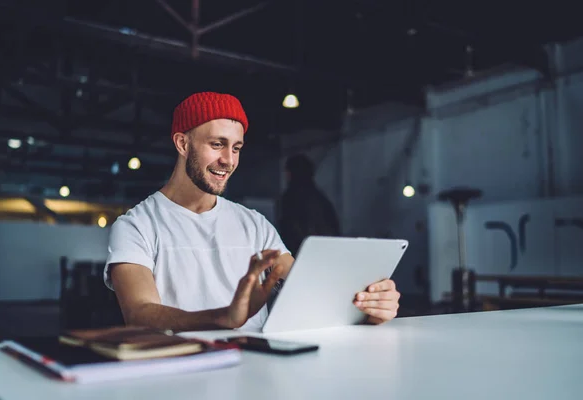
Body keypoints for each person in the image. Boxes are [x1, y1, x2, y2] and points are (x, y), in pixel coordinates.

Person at [103, 92, 400, 332]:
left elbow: (307, 288)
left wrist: (367, 306)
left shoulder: (254, 224)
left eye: (236, 148)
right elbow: (139, 314)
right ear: (182, 143)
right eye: (217, 144)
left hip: (258, 372)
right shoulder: (136, 226)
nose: (228, 160)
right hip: (183, 371)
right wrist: (221, 318)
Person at [278, 153, 341, 256]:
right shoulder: (320, 197)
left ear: (290, 173)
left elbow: (291, 231)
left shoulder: (290, 197)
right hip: (326, 253)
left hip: (303, 255)